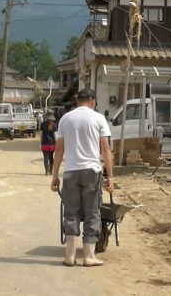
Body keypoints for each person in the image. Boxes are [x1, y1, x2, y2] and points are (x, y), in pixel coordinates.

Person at [51, 88, 113, 267]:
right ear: (92, 101)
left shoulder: (65, 119)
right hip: (91, 172)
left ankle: (70, 256)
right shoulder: (98, 118)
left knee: (71, 212)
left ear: (78, 100)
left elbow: (59, 149)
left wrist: (55, 176)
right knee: (92, 211)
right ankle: (88, 256)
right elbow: (106, 148)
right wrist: (110, 175)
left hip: (70, 171)